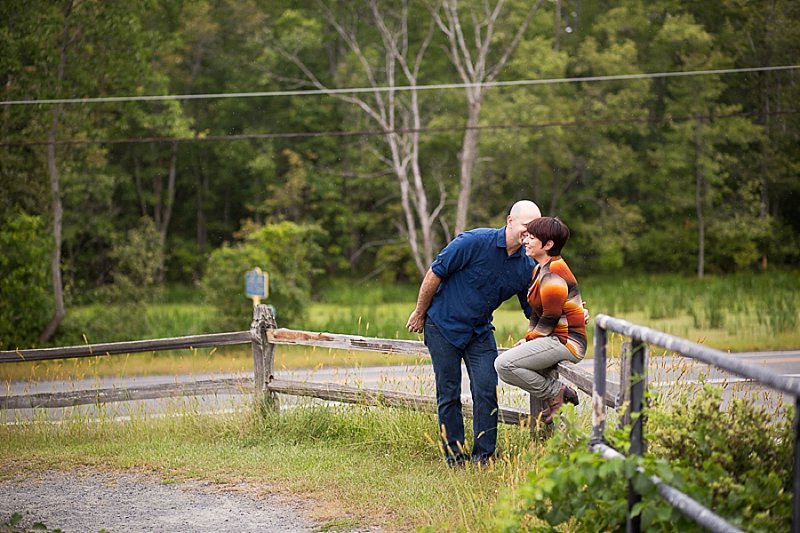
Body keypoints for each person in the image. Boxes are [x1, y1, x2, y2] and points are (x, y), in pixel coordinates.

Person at [406, 200, 542, 466]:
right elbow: (435, 273)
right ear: (510, 221)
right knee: (449, 393)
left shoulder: (527, 266)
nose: (530, 232)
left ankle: (483, 457)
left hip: (479, 332)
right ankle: (455, 458)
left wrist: (567, 314)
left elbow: (534, 310)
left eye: (535, 227)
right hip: (443, 325)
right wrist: (420, 312)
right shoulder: (474, 241)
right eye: (526, 225)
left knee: (486, 388)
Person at [494, 216, 586, 425]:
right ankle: (555, 393)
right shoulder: (539, 269)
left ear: (548, 244)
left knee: (504, 364)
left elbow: (550, 317)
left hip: (567, 342)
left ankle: (557, 392)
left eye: (532, 237)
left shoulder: (554, 273)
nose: (525, 240)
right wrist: (529, 338)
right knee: (506, 363)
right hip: (553, 338)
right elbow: (537, 312)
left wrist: (531, 340)